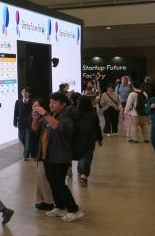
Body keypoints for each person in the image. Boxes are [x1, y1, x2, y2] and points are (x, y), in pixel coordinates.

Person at [32, 92, 84, 221]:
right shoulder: (52, 115)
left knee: (59, 184)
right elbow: (35, 129)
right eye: (50, 102)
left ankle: (74, 210)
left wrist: (45, 114)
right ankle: (60, 207)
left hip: (60, 156)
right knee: (53, 183)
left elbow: (58, 127)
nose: (51, 105)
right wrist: (35, 118)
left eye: (54, 103)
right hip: (48, 155)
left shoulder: (68, 116)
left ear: (63, 104)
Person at [30, 98, 56, 211]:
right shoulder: (37, 118)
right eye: (33, 106)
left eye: (37, 106)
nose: (35, 108)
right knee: (41, 177)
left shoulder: (48, 118)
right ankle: (40, 200)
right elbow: (34, 130)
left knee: (43, 177)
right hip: (38, 151)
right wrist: (34, 119)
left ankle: (48, 201)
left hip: (46, 153)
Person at [74, 96, 103, 187]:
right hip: (90, 138)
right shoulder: (93, 113)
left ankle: (80, 170)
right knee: (87, 156)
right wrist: (100, 139)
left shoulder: (75, 113)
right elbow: (97, 127)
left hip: (77, 138)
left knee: (80, 154)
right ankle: (84, 174)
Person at [13, 87, 34, 160]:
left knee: (28, 139)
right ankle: (30, 149)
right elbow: (15, 112)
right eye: (23, 92)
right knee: (21, 138)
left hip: (29, 124)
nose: (24, 93)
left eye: (26, 92)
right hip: (21, 124)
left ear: (29, 93)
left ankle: (26, 155)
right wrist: (15, 122)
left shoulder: (32, 102)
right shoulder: (18, 102)